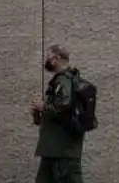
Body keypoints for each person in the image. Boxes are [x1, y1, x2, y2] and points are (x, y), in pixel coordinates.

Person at [31, 44, 85, 183]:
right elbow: (55, 111)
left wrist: (44, 107)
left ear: (57, 58)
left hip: (62, 151)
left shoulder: (65, 79)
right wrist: (38, 113)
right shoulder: (60, 81)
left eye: (48, 56)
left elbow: (64, 105)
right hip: (53, 150)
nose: (46, 60)